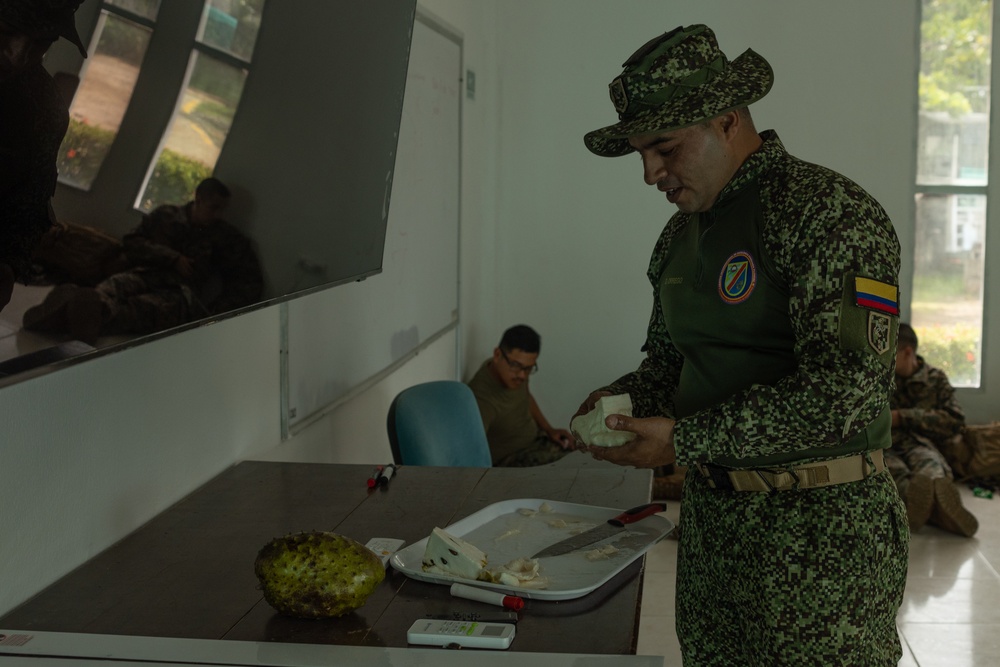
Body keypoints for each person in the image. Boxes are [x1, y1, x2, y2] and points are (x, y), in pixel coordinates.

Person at [573, 25, 907, 665]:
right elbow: (669, 368)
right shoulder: (679, 240)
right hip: (712, 534)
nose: (650, 174)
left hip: (821, 539)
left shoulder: (827, 213)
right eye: (641, 153)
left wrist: (683, 439)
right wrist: (619, 404)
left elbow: (843, 392)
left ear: (728, 120)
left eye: (664, 147)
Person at [24, 177, 264, 344]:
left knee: (140, 311)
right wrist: (171, 258)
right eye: (214, 208)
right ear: (198, 198)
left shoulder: (224, 237)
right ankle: (79, 306)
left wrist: (216, 313)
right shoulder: (166, 216)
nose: (219, 215)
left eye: (222, 209)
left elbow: (249, 281)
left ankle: (63, 314)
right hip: (144, 273)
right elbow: (132, 242)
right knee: (109, 288)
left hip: (179, 292)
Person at [0, 0, 86, 314]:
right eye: (6, 31)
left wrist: (9, 263)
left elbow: (28, 203)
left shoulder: (44, 109)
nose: (20, 56)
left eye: (41, 43)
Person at [889, 322, 977, 536]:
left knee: (932, 472)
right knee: (893, 473)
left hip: (922, 444)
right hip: (887, 445)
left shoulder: (935, 379)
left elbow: (955, 420)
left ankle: (927, 505)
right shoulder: (880, 381)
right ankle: (938, 513)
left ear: (907, 352)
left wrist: (903, 417)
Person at [467, 325, 575, 466]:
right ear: (497, 354)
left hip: (537, 441)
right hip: (513, 460)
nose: (522, 375)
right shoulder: (481, 399)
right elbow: (472, 452)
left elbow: (526, 396)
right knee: (576, 469)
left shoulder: (510, 371)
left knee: (590, 456)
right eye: (516, 365)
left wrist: (549, 429)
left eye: (529, 368)